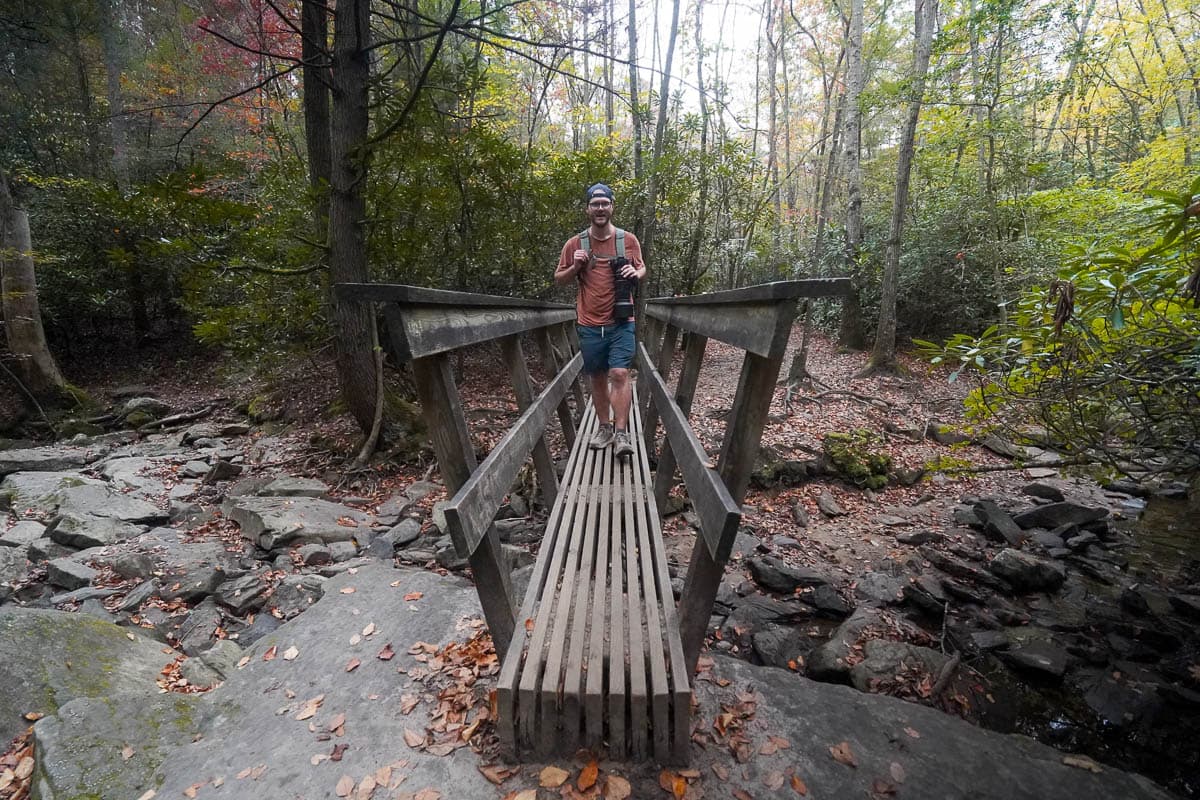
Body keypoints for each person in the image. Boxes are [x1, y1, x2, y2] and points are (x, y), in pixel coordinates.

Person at [554, 183, 647, 459]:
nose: (600, 208)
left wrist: (636, 273)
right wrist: (576, 266)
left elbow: (641, 267)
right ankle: (604, 427)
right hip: (590, 323)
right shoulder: (575, 244)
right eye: (595, 204)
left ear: (612, 206)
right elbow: (559, 279)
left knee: (619, 373)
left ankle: (621, 433)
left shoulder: (627, 240)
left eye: (604, 203)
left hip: (621, 320)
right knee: (596, 377)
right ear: (587, 209)